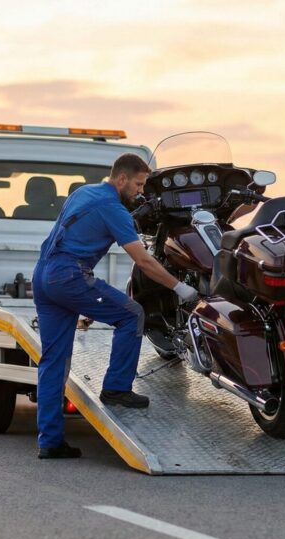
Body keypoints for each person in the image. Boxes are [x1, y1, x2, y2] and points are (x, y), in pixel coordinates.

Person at [32, 153, 198, 459]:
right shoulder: (114, 209)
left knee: (53, 361)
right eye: (137, 184)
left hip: (44, 275)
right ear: (121, 178)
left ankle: (50, 441)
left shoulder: (84, 192)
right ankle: (116, 388)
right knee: (132, 313)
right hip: (70, 276)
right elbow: (145, 261)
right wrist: (180, 287)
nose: (140, 191)